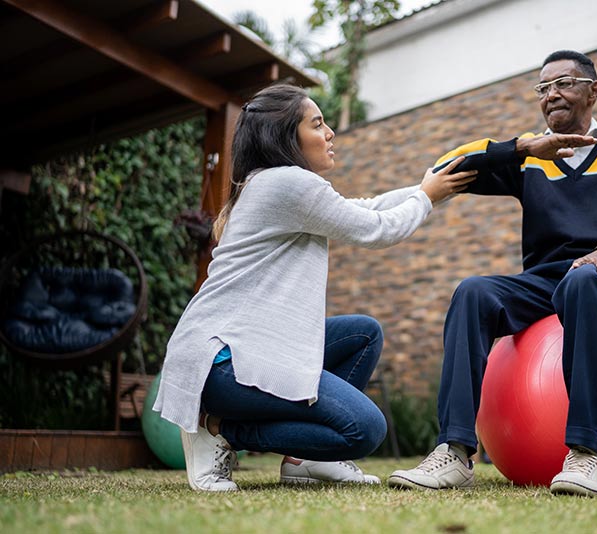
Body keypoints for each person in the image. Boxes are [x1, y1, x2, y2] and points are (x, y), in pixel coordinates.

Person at [152, 83, 482, 492]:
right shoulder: (287, 183)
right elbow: (377, 229)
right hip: (222, 363)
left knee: (363, 333)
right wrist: (426, 198)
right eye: (318, 124)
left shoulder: (278, 185)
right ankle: (221, 429)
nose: (330, 134)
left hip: (244, 350)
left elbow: (363, 208)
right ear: (286, 136)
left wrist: (431, 189)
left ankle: (305, 460)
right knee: (365, 429)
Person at [387, 50, 597, 496]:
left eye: (563, 83)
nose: (551, 94)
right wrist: (523, 146)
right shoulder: (530, 160)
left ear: (593, 91)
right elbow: (444, 167)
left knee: (583, 280)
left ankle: (584, 455)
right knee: (473, 292)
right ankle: (455, 450)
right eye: (543, 88)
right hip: (546, 281)